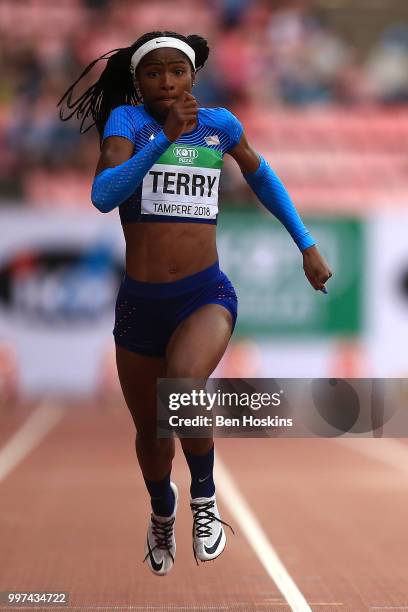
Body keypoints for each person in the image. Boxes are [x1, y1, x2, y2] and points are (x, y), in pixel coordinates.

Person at [58, 30, 332, 576]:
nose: (167, 81)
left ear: (193, 77)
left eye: (177, 72)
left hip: (204, 293)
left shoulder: (220, 125)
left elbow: (262, 175)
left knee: (183, 388)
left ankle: (205, 503)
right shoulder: (127, 125)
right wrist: (162, 139)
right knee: (151, 433)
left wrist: (305, 242)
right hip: (140, 305)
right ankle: (164, 510)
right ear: (138, 82)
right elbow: (102, 196)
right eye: (154, 73)